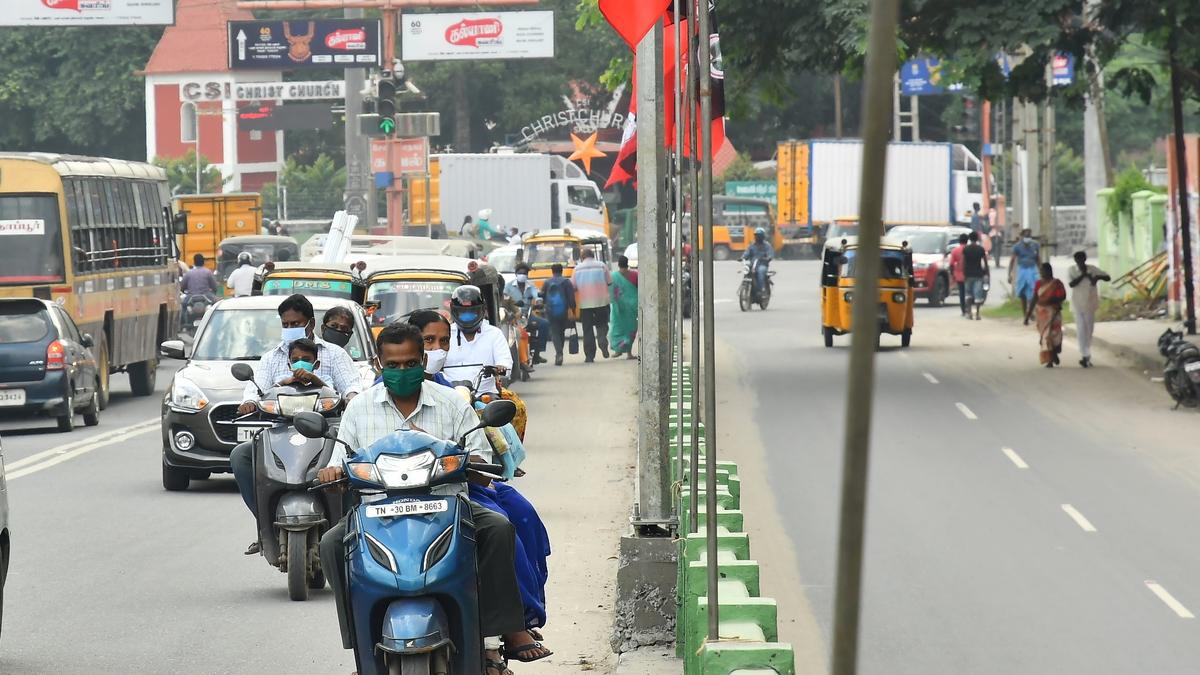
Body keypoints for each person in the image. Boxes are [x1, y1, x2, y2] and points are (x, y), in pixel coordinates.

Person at [316, 323, 551, 672]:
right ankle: (360, 638)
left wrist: (463, 461)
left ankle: (500, 628)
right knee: (332, 544)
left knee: (499, 528)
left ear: (422, 360)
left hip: (447, 506)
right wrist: (332, 473)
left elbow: (481, 459)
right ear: (380, 365)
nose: (401, 371)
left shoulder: (451, 404)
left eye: (409, 363)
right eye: (392, 365)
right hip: (377, 513)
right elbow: (339, 462)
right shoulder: (359, 409)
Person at [411, 311, 551, 632]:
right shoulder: (369, 402)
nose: (436, 349)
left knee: (518, 517)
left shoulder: (451, 395)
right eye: (428, 342)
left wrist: (471, 462)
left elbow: (477, 448)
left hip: (457, 485)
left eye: (442, 341)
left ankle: (519, 617)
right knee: (338, 544)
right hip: (394, 492)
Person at [230, 294, 362, 553]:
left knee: (354, 460)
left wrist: (352, 398)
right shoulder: (271, 358)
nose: (290, 328)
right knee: (241, 457)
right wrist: (249, 402)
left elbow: (352, 387)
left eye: (296, 323)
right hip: (281, 430)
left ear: (311, 323)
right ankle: (265, 523)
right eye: (286, 324)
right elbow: (255, 388)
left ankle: (350, 525)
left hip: (327, 430)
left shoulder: (334, 354)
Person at [443, 285, 512, 395]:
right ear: (454, 311)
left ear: (482, 310)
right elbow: (432, 362)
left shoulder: (494, 334)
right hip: (449, 396)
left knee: (504, 410)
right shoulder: (445, 334)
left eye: (472, 312)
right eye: (462, 312)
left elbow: (505, 363)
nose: (467, 316)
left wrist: (501, 367)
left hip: (485, 396)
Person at [1068, 251, 1111, 368]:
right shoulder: (1072, 270)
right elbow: (1071, 284)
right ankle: (1084, 355)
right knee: (1081, 330)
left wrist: (1097, 277)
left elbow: (1108, 277)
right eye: (1078, 260)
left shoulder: (1092, 269)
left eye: (1082, 259)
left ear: (1085, 259)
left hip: (1090, 303)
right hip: (1077, 304)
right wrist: (1083, 275)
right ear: (1075, 260)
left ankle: (1087, 353)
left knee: (1089, 330)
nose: (1080, 262)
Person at [573, 248, 612, 363]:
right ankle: (602, 343)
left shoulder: (577, 269)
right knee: (602, 325)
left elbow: (573, 286)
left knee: (587, 329)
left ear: (582, 257)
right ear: (593, 255)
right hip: (601, 302)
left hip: (585, 304)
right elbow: (609, 282)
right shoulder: (602, 266)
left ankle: (590, 356)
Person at [505, 264, 549, 364]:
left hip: (527, 315)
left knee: (544, 324)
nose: (522, 275)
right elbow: (504, 298)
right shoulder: (508, 286)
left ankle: (537, 353)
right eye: (520, 273)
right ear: (516, 274)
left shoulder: (531, 286)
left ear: (527, 275)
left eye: (524, 273)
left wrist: (538, 301)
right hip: (513, 316)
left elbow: (536, 294)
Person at [1026, 262, 1067, 368]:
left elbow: (1063, 296)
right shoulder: (1039, 284)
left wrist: (1051, 300)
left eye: (1043, 271)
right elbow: (1035, 298)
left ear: (1049, 271)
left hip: (1054, 312)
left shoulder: (1057, 283)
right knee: (1045, 336)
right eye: (1040, 271)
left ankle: (1054, 353)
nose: (1041, 273)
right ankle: (1050, 358)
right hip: (1042, 314)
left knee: (1054, 335)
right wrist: (1028, 315)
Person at [541, 264, 576, 366]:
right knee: (561, 332)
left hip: (551, 311)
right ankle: (560, 353)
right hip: (564, 311)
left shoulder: (547, 282)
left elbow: (542, 296)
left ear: (552, 271)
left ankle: (559, 353)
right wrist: (572, 310)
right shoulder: (566, 282)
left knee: (554, 332)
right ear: (562, 271)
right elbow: (571, 298)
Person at [609, 255, 638, 358]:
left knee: (617, 328)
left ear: (618, 264)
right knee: (630, 329)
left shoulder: (613, 276)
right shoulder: (635, 275)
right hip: (632, 307)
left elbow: (611, 292)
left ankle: (618, 350)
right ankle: (629, 353)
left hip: (618, 307)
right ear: (627, 263)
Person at [1009, 229, 1041, 325]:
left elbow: (1038, 258)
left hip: (1032, 270)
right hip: (1022, 270)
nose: (1028, 238)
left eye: (1029, 236)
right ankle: (1025, 315)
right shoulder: (1017, 247)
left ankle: (1030, 313)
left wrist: (1042, 270)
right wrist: (1009, 274)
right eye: (1026, 236)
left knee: (1034, 293)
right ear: (1022, 236)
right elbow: (1012, 260)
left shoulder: (1035, 245)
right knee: (1022, 293)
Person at [962, 231, 989, 320]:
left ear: (969, 239)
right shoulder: (980, 249)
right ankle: (977, 314)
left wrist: (963, 272)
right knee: (978, 295)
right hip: (978, 274)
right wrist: (987, 273)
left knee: (968, 294)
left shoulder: (966, 249)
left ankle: (969, 313)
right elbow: (985, 262)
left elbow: (963, 262)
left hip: (968, 274)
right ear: (977, 239)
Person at [742, 227, 774, 298]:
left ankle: (761, 290)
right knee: (746, 271)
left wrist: (768, 258)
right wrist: (742, 257)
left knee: (761, 271)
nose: (757, 237)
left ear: (763, 236)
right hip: (752, 265)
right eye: (756, 235)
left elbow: (770, 254)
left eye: (759, 235)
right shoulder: (752, 245)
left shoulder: (767, 245)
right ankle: (746, 287)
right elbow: (747, 253)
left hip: (762, 264)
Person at [948, 233, 969, 317]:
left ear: (959, 241)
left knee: (962, 293)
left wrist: (952, 275)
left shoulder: (955, 250)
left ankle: (963, 310)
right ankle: (969, 309)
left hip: (959, 274)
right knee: (969, 293)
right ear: (967, 241)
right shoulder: (968, 249)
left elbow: (951, 264)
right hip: (969, 274)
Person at [988, 199, 1004, 268]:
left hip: (991, 234)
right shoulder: (994, 213)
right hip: (996, 233)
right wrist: (999, 226)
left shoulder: (988, 213)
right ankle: (997, 263)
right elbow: (992, 224)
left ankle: (997, 262)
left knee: (995, 249)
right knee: (998, 249)